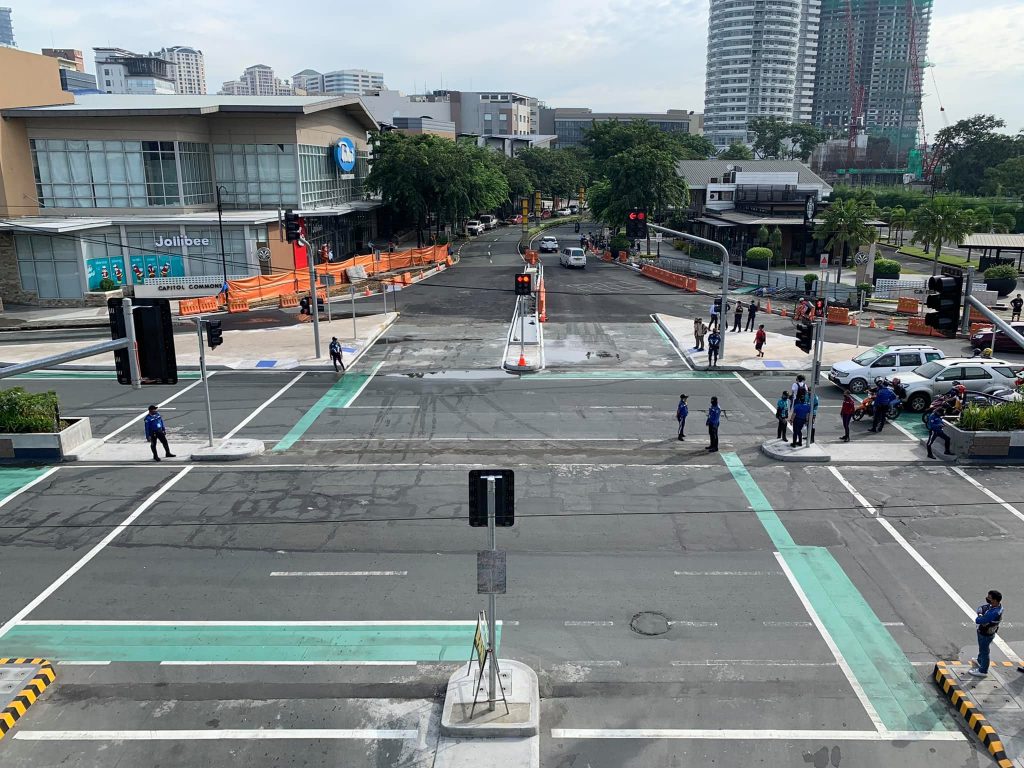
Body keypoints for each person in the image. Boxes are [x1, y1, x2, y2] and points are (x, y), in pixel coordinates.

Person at [969, 590, 1003, 678]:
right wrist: (981, 611)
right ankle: (979, 661)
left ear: (995, 600)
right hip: (987, 632)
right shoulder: (997, 607)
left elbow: (979, 620)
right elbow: (983, 607)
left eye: (989, 598)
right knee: (982, 649)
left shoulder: (994, 612)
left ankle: (983, 670)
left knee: (984, 651)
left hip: (985, 634)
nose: (987, 599)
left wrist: (980, 614)